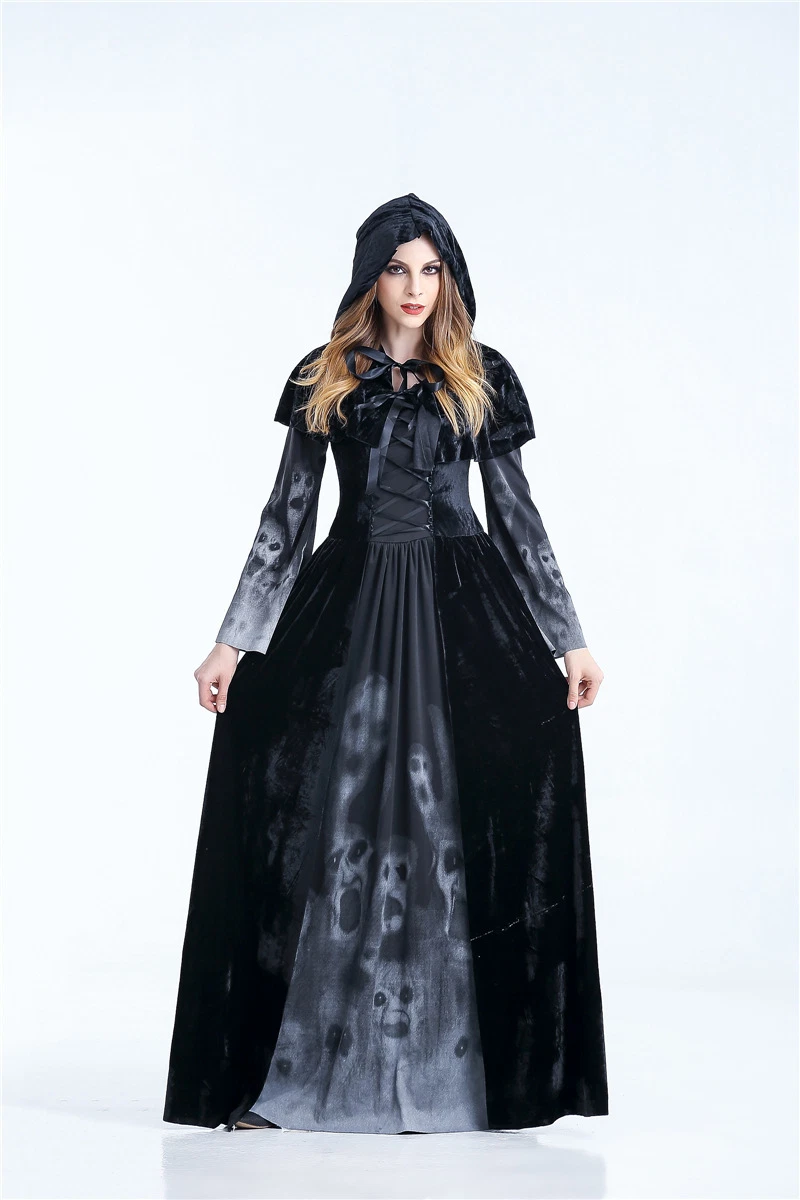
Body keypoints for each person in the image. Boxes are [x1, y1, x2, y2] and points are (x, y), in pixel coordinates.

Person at [163, 192, 609, 1135]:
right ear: (372, 276)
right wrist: (232, 641)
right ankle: (303, 1067)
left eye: (430, 270)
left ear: (449, 279)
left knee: (463, 818)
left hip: (463, 607)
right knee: (328, 817)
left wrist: (568, 637)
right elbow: (286, 519)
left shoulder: (482, 375)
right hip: (352, 602)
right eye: (398, 268)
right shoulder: (326, 375)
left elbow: (516, 517)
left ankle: (467, 1076)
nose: (414, 287)